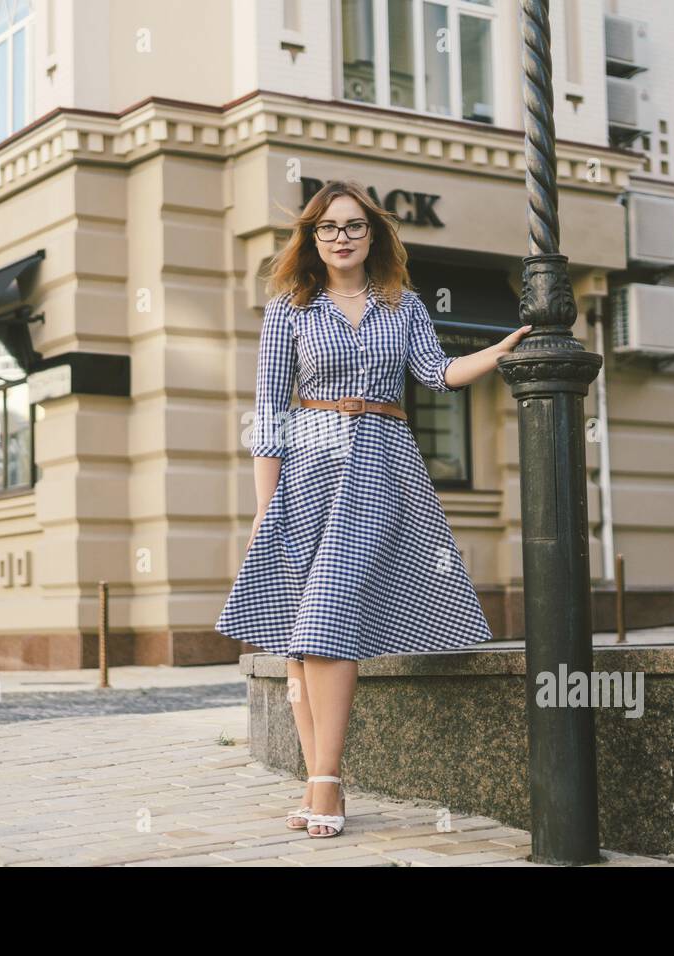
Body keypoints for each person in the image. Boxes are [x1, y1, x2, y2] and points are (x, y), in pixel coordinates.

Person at [214, 179, 531, 837]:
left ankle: (326, 785)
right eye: (328, 227)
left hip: (381, 466)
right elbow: (270, 414)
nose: (341, 237)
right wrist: (263, 508)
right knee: (300, 642)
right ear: (312, 237)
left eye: (354, 225)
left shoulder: (403, 305)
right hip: (306, 468)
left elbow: (436, 373)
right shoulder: (289, 310)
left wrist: (496, 354)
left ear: (374, 234)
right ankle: (317, 778)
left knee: (327, 616)